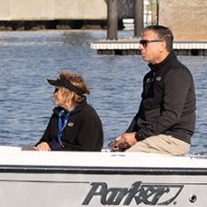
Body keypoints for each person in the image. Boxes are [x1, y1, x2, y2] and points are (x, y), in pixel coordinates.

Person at [109, 24, 195, 155]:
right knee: (113, 151)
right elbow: (142, 114)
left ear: (162, 45)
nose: (140, 47)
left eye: (144, 43)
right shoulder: (150, 76)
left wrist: (137, 137)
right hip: (149, 137)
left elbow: (170, 116)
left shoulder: (176, 73)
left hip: (172, 139)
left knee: (127, 157)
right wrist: (126, 137)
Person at [34, 71, 103, 151]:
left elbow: (86, 150)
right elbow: (45, 139)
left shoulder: (88, 116)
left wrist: (57, 151)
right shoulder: (57, 113)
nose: (54, 93)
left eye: (57, 90)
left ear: (69, 93)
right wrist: (43, 144)